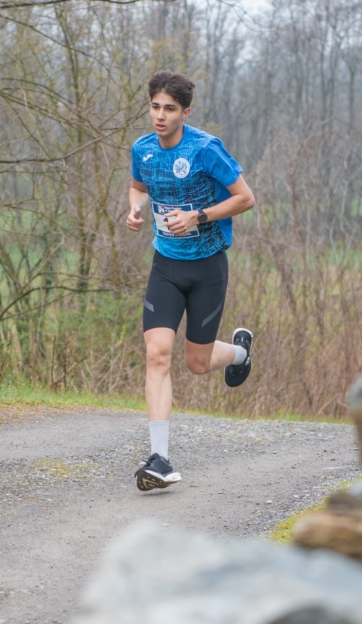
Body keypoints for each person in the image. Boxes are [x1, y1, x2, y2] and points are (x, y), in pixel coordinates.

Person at [126, 70, 256, 492]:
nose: (160, 116)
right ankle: (159, 459)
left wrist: (198, 216)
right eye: (155, 107)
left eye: (169, 109)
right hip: (166, 266)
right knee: (157, 354)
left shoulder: (205, 149)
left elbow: (245, 198)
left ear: (185, 112)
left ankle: (239, 352)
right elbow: (138, 186)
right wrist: (135, 209)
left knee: (197, 364)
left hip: (207, 268)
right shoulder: (143, 149)